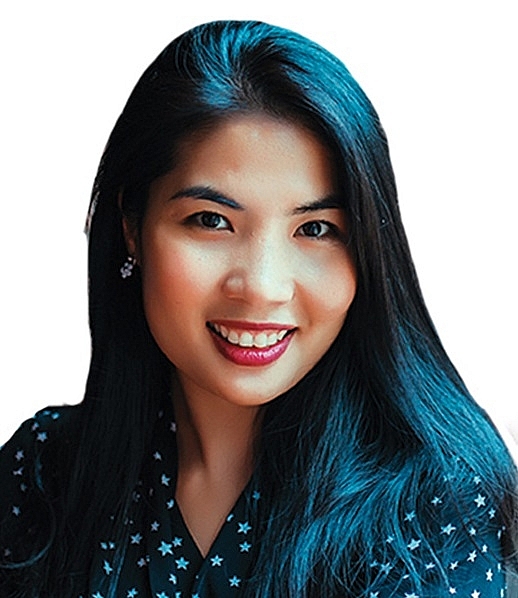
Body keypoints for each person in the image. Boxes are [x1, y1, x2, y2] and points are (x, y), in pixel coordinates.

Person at [0, 20, 516, 597]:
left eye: (316, 229)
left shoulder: (431, 510)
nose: (263, 287)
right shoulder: (43, 473)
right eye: (211, 221)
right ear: (131, 229)